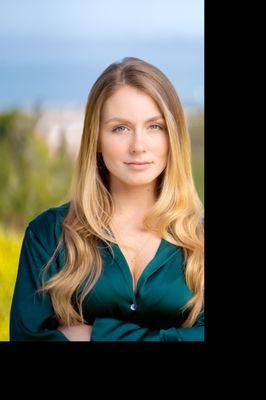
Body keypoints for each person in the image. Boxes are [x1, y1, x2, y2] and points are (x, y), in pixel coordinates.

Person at [10, 56, 204, 341]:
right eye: (120, 128)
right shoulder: (48, 236)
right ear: (97, 139)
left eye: (155, 126)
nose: (138, 146)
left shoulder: (200, 237)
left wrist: (96, 335)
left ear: (173, 137)